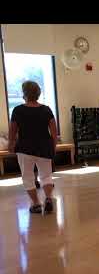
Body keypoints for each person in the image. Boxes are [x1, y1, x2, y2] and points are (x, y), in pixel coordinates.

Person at [8, 81, 57, 214]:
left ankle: (35, 204)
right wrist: (53, 147)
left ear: (24, 94)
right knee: (46, 175)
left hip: (25, 148)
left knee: (28, 177)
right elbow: (54, 132)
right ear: (38, 93)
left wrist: (11, 144)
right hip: (44, 147)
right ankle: (48, 198)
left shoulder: (18, 110)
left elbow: (12, 130)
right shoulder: (46, 109)